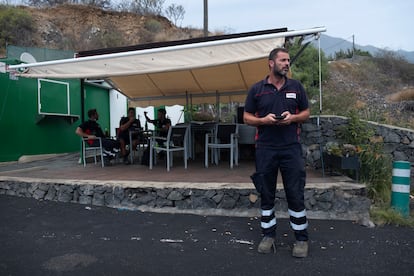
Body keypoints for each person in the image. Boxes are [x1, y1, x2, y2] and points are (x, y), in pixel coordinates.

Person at [243, 48, 310, 257]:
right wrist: (263, 121)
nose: (287, 63)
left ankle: (301, 239)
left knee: (295, 193)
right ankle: (268, 235)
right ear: (271, 63)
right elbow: (246, 117)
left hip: (291, 148)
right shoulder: (257, 89)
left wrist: (293, 118)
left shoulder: (296, 87)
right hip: (266, 148)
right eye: (283, 60)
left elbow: (306, 113)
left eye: (288, 60)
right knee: (266, 193)